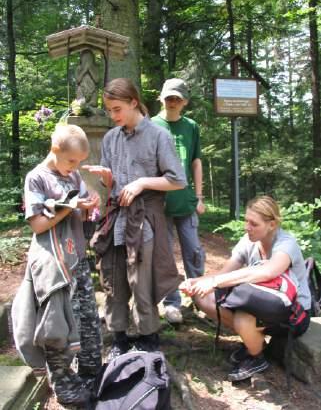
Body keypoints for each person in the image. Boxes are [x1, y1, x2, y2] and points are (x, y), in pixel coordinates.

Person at [83, 78, 187, 360]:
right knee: (114, 279)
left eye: (117, 109)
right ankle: (119, 336)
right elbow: (112, 186)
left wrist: (142, 183)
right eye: (109, 110)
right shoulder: (110, 138)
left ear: (133, 102)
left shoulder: (158, 135)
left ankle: (148, 338)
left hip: (144, 219)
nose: (113, 116)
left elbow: (178, 180)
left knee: (141, 280)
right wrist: (107, 179)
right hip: (116, 217)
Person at [12, 124, 102, 406]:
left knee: (88, 321)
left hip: (77, 259)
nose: (76, 168)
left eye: (79, 162)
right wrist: (70, 206)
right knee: (57, 327)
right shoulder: (36, 178)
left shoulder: (73, 175)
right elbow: (38, 224)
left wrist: (89, 208)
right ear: (55, 150)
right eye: (72, 161)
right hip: (53, 264)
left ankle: (91, 374)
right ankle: (66, 386)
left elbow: (84, 213)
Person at [180, 195, 311, 382]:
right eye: (246, 221)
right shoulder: (248, 240)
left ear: (272, 224)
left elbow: (267, 272)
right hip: (263, 305)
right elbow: (225, 271)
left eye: (253, 224)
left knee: (243, 318)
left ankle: (256, 357)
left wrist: (214, 282)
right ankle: (254, 342)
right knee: (203, 297)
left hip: (294, 314)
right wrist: (197, 282)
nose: (246, 227)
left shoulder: (286, 244)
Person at [151, 78, 205, 324]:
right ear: (161, 99)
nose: (173, 102)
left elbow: (195, 161)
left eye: (177, 98)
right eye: (169, 98)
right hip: (160, 204)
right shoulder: (151, 125)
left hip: (186, 201)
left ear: (185, 102)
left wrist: (200, 197)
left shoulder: (191, 126)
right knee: (165, 256)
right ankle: (171, 303)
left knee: (194, 252)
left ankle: (201, 300)